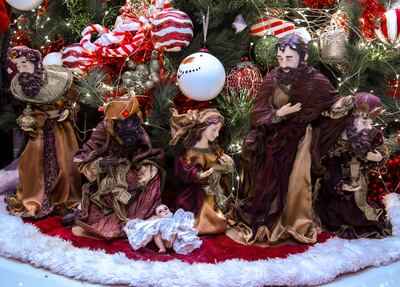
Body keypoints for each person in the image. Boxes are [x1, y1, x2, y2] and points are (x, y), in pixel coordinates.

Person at [232, 33, 354, 245]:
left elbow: (332, 101)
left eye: (289, 58)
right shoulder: (273, 78)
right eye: (280, 58)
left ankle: (295, 221)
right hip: (274, 137)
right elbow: (257, 112)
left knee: (298, 180)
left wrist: (343, 104)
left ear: (302, 58)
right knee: (270, 180)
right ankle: (270, 219)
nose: (284, 63)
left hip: (301, 139)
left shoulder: (316, 80)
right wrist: (279, 114)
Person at [68, 97, 166, 239]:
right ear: (115, 123)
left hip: (131, 168)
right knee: (118, 191)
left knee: (151, 179)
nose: (131, 126)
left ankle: (139, 215)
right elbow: (85, 158)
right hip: (110, 175)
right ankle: (126, 218)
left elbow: (147, 152)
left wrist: (145, 168)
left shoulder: (137, 130)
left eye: (133, 120)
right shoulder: (104, 130)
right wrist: (101, 164)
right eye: (126, 122)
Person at [6, 46, 81, 218]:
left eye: (24, 63)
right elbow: (28, 109)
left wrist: (68, 111)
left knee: (65, 161)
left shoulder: (57, 79)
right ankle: (35, 197)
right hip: (39, 129)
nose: (21, 68)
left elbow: (73, 100)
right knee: (31, 162)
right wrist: (27, 121)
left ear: (35, 63)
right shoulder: (21, 83)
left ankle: (64, 197)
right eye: (17, 65)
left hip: (60, 128)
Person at [314, 92, 391, 239]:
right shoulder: (336, 137)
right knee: (341, 211)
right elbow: (326, 168)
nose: (368, 126)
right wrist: (340, 184)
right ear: (351, 118)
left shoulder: (372, 135)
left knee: (362, 210)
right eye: (363, 121)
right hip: (336, 187)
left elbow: (383, 153)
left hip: (360, 184)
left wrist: (378, 157)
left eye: (371, 121)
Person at [169, 108, 234, 235]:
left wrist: (224, 161)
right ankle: (201, 222)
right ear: (202, 128)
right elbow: (183, 169)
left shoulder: (213, 149)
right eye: (214, 130)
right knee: (193, 211)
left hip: (211, 192)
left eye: (218, 130)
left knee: (216, 204)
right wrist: (198, 175)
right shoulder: (191, 152)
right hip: (194, 193)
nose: (217, 134)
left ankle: (213, 217)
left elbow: (219, 162)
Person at [124, 204, 202, 254]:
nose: (164, 211)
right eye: (160, 211)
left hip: (173, 236)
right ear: (158, 215)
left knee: (175, 226)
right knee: (155, 232)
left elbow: (179, 225)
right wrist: (153, 220)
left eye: (165, 208)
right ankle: (162, 248)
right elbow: (149, 225)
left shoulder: (174, 217)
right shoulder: (159, 221)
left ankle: (170, 242)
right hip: (163, 236)